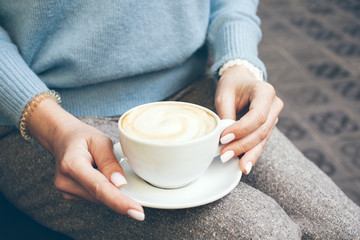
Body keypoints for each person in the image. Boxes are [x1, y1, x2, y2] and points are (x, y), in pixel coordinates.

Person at [0, 0, 359, 239]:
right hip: (45, 115)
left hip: (197, 97)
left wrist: (240, 62)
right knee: (261, 231)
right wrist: (46, 121)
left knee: (343, 225)